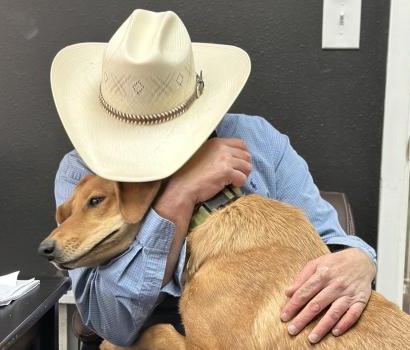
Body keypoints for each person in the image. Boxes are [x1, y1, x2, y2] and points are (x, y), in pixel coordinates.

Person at [52, 9, 377, 347]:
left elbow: (329, 241)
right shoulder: (82, 172)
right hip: (145, 327)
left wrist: (360, 260)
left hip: (258, 331)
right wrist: (179, 197)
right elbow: (108, 322)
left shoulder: (260, 140)